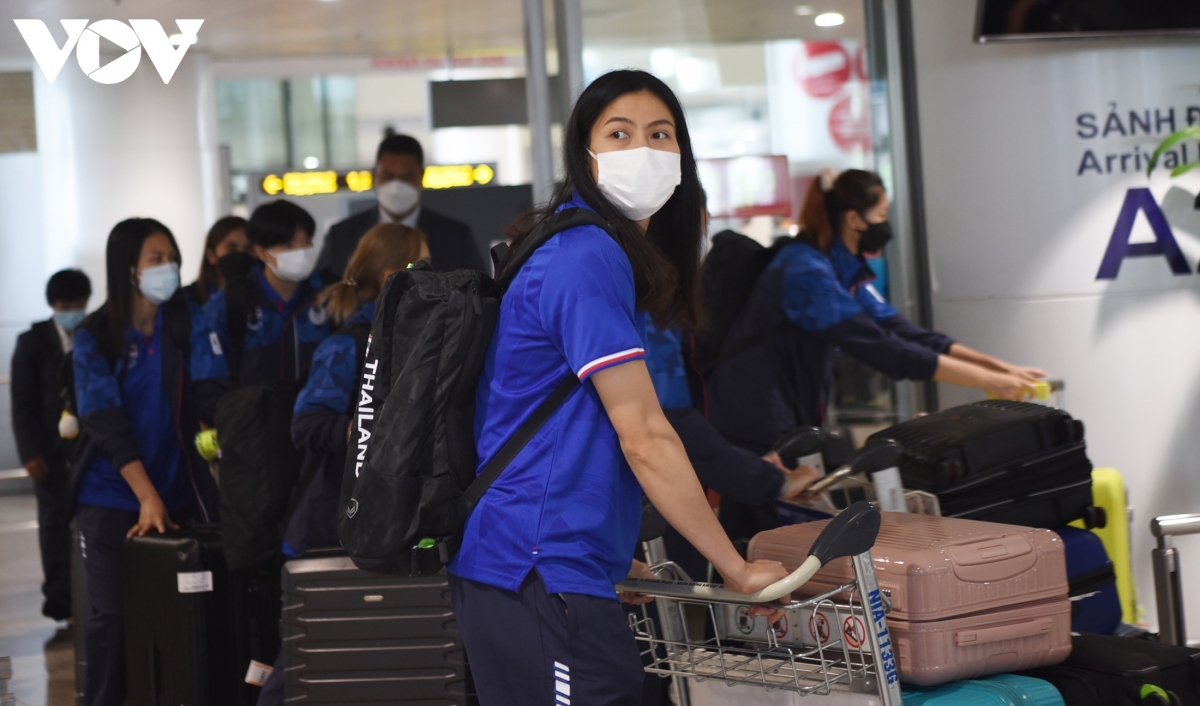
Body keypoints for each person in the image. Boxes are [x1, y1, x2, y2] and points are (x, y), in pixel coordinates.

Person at [448, 69, 790, 705]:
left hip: (537, 564)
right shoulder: (585, 254)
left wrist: (610, 558)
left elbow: (562, 426)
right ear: (586, 155)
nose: (644, 150)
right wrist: (736, 567)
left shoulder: (574, 246)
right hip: (538, 567)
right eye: (620, 133)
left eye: (661, 134)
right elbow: (645, 437)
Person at [706, 168, 1047, 539]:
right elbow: (886, 351)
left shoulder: (839, 269)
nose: (886, 225)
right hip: (755, 419)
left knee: (776, 531)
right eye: (882, 215)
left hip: (781, 414)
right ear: (854, 219)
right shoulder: (807, 271)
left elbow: (901, 331)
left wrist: (1000, 367)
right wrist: (990, 381)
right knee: (763, 534)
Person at [253, 224, 430, 706]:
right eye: (423, 264)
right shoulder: (347, 346)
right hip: (324, 530)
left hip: (375, 529)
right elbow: (306, 426)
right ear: (395, 274)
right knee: (305, 661)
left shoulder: (413, 339)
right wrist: (369, 428)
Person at [72, 218, 228, 706]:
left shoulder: (186, 321)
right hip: (114, 496)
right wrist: (145, 496)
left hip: (179, 490)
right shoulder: (94, 337)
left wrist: (216, 441)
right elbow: (106, 423)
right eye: (156, 259)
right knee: (113, 619)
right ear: (129, 269)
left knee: (188, 613)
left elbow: (211, 390)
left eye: (172, 257)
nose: (169, 268)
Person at [10, 268, 91, 622]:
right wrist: (29, 453)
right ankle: (60, 597)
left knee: (91, 519)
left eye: (77, 304)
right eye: (64, 304)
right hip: (47, 449)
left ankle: (90, 592)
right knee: (54, 523)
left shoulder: (94, 333)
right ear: (52, 305)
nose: (71, 310)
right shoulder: (32, 342)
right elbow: (21, 402)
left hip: (87, 446)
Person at [316, 133, 483, 277]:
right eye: (388, 176)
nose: (396, 186)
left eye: (407, 177)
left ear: (421, 176)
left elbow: (479, 296)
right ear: (375, 175)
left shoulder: (455, 238)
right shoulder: (342, 236)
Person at [205, 200, 331, 387]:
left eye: (306, 242)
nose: (300, 252)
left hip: (319, 414)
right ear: (261, 252)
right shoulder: (230, 304)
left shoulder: (329, 295)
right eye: (288, 245)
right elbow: (211, 383)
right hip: (253, 414)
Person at [182, 215, 252, 305]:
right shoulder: (188, 298)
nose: (241, 255)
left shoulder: (261, 297)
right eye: (232, 249)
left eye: (249, 249)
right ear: (211, 255)